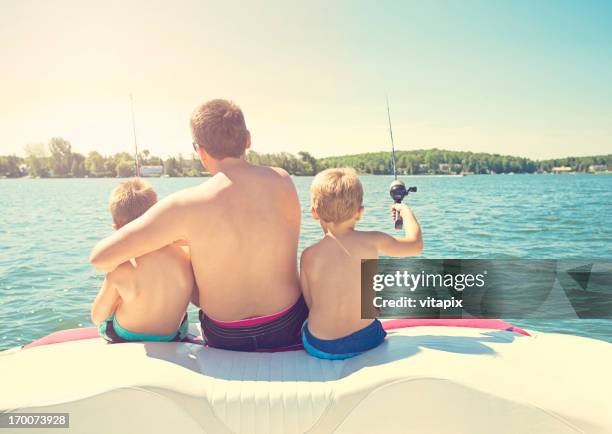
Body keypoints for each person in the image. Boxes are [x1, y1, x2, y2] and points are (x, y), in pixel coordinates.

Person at [90, 99, 307, 351]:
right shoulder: (282, 180)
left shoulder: (185, 205)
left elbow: (100, 259)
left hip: (226, 335)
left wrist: (166, 242)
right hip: (287, 325)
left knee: (190, 251)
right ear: (247, 139)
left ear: (199, 151)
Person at [300, 168, 423, 359]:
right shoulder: (373, 240)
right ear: (359, 212)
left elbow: (311, 304)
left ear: (315, 213)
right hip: (367, 339)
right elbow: (415, 246)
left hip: (321, 345)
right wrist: (405, 211)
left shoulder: (308, 255)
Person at [91, 178, 194, 342]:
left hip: (125, 335)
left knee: (115, 302)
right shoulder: (185, 255)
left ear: (117, 228)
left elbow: (97, 318)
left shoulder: (121, 268)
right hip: (173, 335)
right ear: (158, 217)